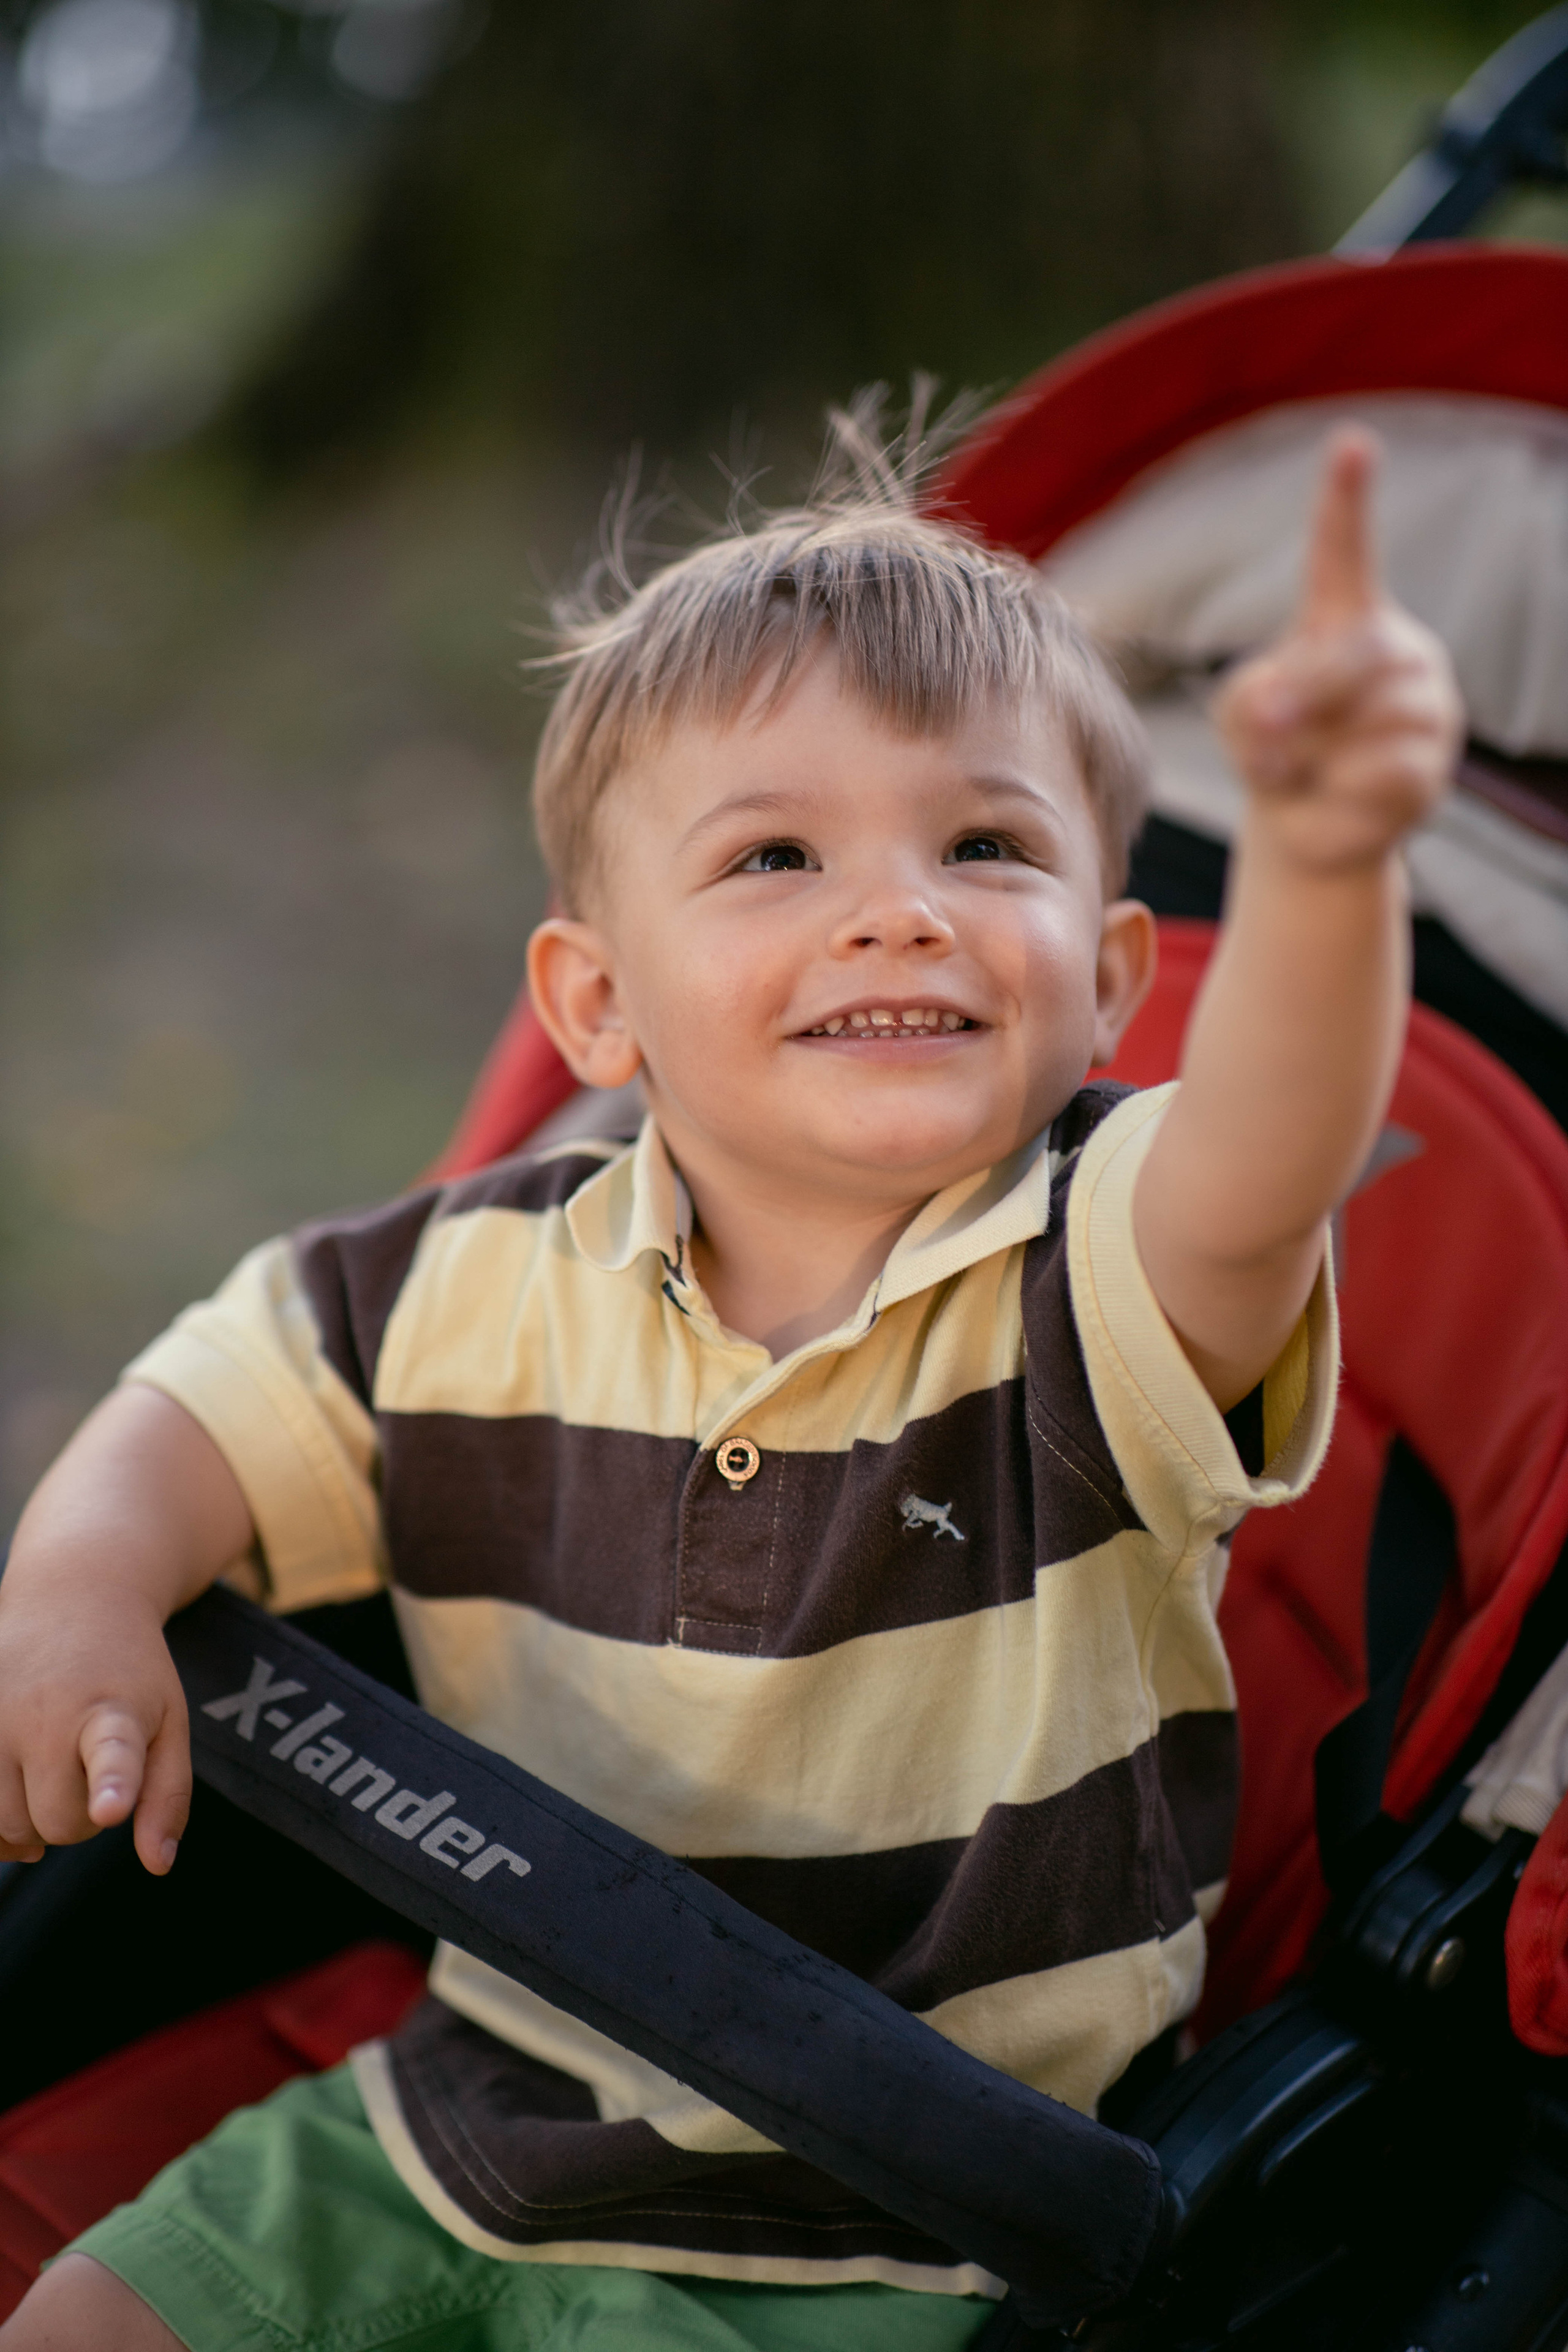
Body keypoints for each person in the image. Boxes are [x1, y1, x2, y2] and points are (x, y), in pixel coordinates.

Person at [0, 420, 1459, 2352]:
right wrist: (79, 1584)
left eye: (987, 846)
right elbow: (221, 1388)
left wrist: (1329, 865)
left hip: (887, 2223)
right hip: (470, 2112)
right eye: (778, 853)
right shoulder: (484, 1280)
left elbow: (1267, 1162)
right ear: (597, 1003)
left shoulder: (1090, 1278)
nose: (900, 908)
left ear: (1113, 980)